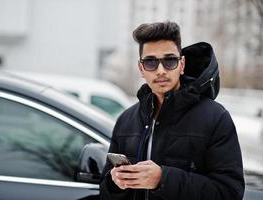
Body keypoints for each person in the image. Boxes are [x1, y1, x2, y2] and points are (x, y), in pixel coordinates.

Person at [100, 21, 245, 200]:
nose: (160, 71)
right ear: (141, 68)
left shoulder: (215, 118)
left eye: (169, 60)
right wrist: (115, 183)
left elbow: (230, 192)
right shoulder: (126, 120)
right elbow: (105, 193)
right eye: (150, 62)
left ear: (182, 64)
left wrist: (163, 179)